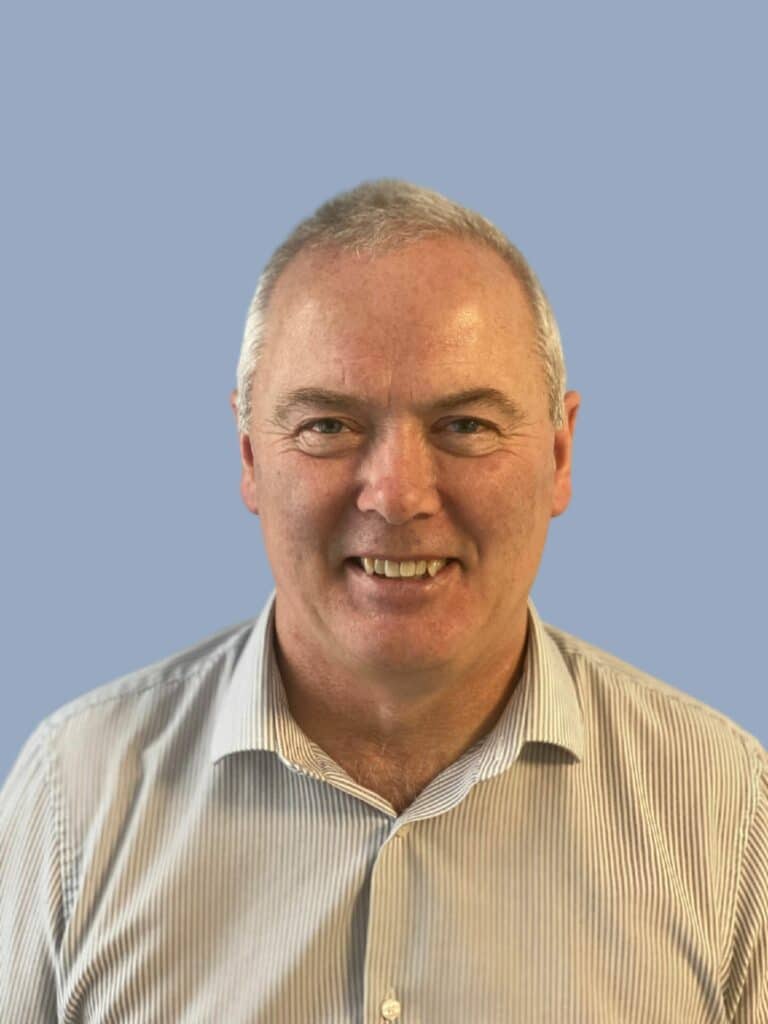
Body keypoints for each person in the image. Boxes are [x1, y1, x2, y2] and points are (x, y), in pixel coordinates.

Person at [1, 180, 765, 1022]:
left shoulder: (726, 810)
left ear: (559, 455)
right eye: (328, 426)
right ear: (250, 456)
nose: (397, 495)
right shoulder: (75, 797)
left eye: (465, 425)